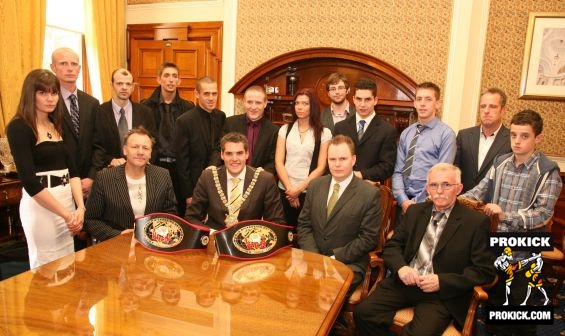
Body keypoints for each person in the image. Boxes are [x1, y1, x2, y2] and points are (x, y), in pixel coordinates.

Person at [354, 163, 495, 335]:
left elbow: (484, 271)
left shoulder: (476, 222)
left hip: (441, 294)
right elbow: (392, 246)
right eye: (434, 185)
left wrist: (441, 281)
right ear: (427, 188)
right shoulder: (415, 212)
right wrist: (401, 268)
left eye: (446, 185)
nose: (439, 191)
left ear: (459, 188)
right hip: (405, 283)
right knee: (363, 313)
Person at [461, 109, 561, 336]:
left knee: (519, 303)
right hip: (495, 243)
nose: (517, 141)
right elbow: (479, 191)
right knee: (496, 300)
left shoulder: (547, 171)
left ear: (538, 138)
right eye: (513, 135)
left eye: (524, 136)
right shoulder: (501, 162)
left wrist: (505, 214)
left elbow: (542, 214)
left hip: (525, 246)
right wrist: (453, 198)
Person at [6, 69, 85, 268]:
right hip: (42, 206)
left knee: (68, 265)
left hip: (67, 202)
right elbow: (30, 182)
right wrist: (67, 215)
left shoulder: (56, 124)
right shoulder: (19, 127)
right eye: (43, 93)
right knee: (47, 268)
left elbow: (73, 171)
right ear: (30, 94)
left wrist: (80, 208)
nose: (50, 99)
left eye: (54, 93)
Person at [297, 135, 380, 293]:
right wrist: (315, 258)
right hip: (313, 258)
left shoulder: (369, 194)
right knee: (293, 289)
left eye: (343, 158)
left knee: (327, 291)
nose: (337, 164)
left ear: (353, 160)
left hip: (347, 263)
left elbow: (368, 238)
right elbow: (304, 225)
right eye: (332, 159)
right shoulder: (315, 186)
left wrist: (333, 259)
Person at [85, 127, 177, 242]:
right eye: (135, 147)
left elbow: (171, 214)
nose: (140, 152)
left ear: (150, 153)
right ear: (125, 150)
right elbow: (90, 220)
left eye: (145, 148)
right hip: (115, 247)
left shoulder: (162, 175)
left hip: (152, 247)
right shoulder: (104, 178)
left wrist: (155, 234)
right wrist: (118, 235)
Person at [50, 47, 100, 250]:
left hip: (89, 184)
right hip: (60, 185)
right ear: (53, 68)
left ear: (79, 68)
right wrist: (74, 182)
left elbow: (99, 144)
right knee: (62, 244)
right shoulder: (48, 103)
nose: (69, 68)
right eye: (63, 63)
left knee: (87, 242)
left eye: (74, 64)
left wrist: (91, 177)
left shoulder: (92, 103)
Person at [185, 132, 284, 230]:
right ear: (222, 155)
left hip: (250, 243)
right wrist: (211, 235)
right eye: (229, 154)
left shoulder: (264, 179)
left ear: (247, 154)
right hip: (214, 240)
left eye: (239, 153)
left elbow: (277, 222)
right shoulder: (208, 177)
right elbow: (191, 217)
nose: (234, 159)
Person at [391, 82, 456, 217]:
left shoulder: (446, 134)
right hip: (402, 203)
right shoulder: (406, 133)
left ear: (437, 104)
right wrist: (403, 201)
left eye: (428, 99)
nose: (422, 104)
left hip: (428, 204)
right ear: (414, 103)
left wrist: (416, 203)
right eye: (419, 99)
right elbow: (397, 171)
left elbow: (441, 177)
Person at [141, 62, 195, 216]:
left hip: (180, 170)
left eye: (174, 76)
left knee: (179, 213)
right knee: (154, 210)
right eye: (166, 75)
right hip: (154, 166)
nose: (171, 80)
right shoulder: (146, 107)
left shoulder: (188, 108)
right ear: (159, 79)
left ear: (179, 81)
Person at [274, 88, 332, 228]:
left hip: (309, 191)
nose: (300, 107)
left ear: (313, 106)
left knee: (306, 232)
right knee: (284, 232)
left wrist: (299, 190)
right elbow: (278, 162)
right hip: (285, 190)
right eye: (297, 103)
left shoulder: (324, 133)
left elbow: (321, 167)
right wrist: (290, 190)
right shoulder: (285, 129)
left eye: (305, 103)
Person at [175, 76, 226, 212]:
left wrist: (212, 168)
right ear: (197, 94)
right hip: (193, 186)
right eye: (206, 94)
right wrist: (188, 194)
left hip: (217, 183)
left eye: (214, 93)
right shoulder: (184, 121)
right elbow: (182, 162)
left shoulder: (221, 116)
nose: (211, 98)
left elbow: (220, 146)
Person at [333, 78, 397, 182]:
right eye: (359, 99)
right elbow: (334, 157)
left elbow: (387, 166)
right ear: (353, 99)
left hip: (370, 189)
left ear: (375, 100)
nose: (362, 104)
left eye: (367, 99)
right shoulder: (340, 127)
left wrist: (361, 174)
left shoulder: (387, 131)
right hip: (342, 185)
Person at [93, 68, 157, 169]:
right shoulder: (99, 112)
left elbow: (153, 143)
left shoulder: (146, 112)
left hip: (140, 171)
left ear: (133, 87)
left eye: (128, 84)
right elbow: (96, 146)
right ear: (112, 85)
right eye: (119, 83)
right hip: (110, 172)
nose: (124, 87)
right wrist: (110, 160)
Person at [454, 88, 511, 192]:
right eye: (483, 106)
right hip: (463, 200)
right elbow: (455, 170)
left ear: (503, 111)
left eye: (493, 106)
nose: (486, 111)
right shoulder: (464, 135)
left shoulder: (511, 139)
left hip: (492, 203)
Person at [219, 85, 279, 173]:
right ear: (244, 102)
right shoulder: (230, 123)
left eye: (258, 103)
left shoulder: (274, 131)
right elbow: (221, 149)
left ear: (265, 103)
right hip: (232, 176)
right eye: (249, 102)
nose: (253, 107)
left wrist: (263, 173)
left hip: (260, 180)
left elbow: (274, 160)